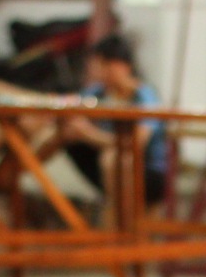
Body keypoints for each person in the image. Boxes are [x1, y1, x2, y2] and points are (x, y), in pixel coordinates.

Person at [60, 34, 171, 211]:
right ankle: (18, 172)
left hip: (148, 170)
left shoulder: (144, 96)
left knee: (114, 159)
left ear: (121, 65)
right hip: (109, 160)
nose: (97, 71)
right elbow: (69, 103)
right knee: (61, 132)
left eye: (102, 65)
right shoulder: (98, 92)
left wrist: (89, 134)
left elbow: (137, 142)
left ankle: (117, 221)